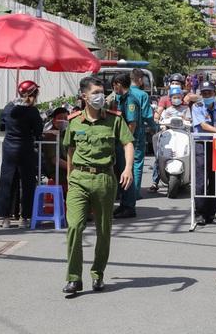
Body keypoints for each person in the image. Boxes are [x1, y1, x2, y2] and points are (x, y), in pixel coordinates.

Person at [62, 76, 134, 294]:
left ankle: (97, 273)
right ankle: (74, 278)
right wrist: (69, 178)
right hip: (79, 180)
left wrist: (128, 168)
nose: (100, 96)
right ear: (84, 97)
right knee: (75, 226)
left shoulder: (114, 119)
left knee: (104, 231)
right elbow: (70, 150)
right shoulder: (74, 121)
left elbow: (128, 143)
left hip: (105, 179)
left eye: (102, 92)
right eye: (95, 93)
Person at [0, 80, 44, 229]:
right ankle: (24, 218)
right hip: (25, 149)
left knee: (7, 182)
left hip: (9, 149)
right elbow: (38, 132)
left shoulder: (8, 107)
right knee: (27, 184)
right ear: (33, 94)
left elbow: (2, 126)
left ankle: (5, 218)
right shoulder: (32, 111)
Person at [192, 81, 216, 225]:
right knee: (201, 181)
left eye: (209, 93)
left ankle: (211, 214)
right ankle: (200, 213)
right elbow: (202, 125)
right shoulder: (197, 107)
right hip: (202, 145)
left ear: (215, 94)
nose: (206, 95)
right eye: (204, 93)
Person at [111, 72, 141, 219]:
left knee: (126, 174)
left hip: (126, 143)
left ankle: (129, 207)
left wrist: (125, 143)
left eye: (114, 85)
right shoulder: (122, 98)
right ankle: (124, 204)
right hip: (120, 142)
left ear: (118, 84)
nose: (114, 88)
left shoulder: (130, 100)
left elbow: (132, 125)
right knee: (121, 175)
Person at [129, 69, 159, 200]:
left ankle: (122, 193)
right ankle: (134, 193)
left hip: (122, 132)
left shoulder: (120, 94)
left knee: (123, 162)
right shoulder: (142, 95)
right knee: (136, 162)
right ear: (140, 80)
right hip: (137, 133)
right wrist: (154, 127)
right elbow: (147, 115)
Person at [42, 106, 69, 187]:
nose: (63, 121)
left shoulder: (64, 134)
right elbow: (55, 160)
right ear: (54, 120)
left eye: (65, 118)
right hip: (58, 173)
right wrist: (72, 167)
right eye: (60, 118)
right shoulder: (51, 136)